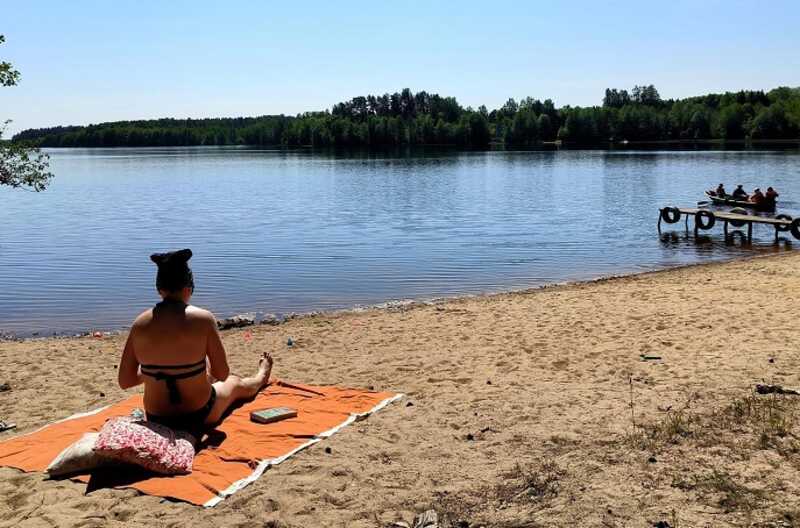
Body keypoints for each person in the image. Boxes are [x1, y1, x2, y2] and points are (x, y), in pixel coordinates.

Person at [118, 249, 273, 435]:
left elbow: (125, 381)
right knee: (234, 383)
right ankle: (261, 376)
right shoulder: (203, 319)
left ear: (159, 289)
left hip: (156, 416)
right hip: (199, 413)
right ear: (188, 288)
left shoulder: (139, 323)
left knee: (199, 370)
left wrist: (155, 373)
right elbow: (222, 373)